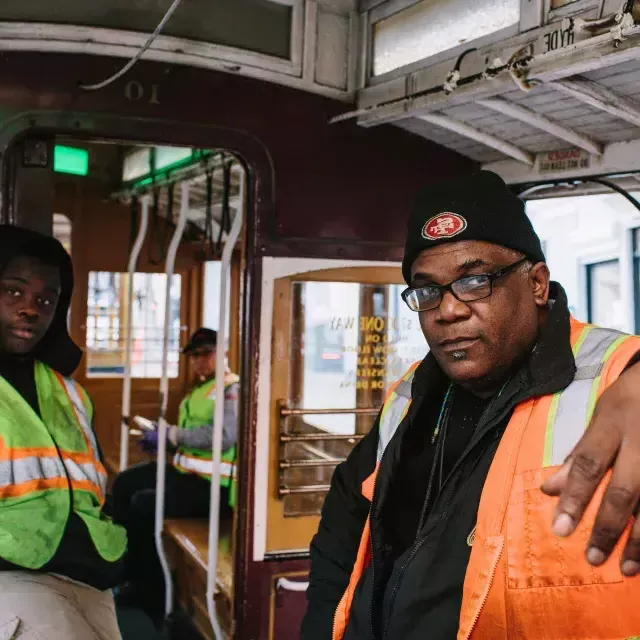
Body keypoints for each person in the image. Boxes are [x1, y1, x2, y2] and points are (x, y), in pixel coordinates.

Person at [301, 171, 640, 640]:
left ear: (538, 284)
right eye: (427, 291)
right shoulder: (410, 395)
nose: (448, 310)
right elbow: (345, 520)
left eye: (475, 281)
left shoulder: (618, 381)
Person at [0, 225, 127, 640]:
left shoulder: (69, 392)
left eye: (46, 299)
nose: (30, 309)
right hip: (16, 575)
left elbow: (92, 483)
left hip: (91, 576)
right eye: (13, 292)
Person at [112, 327, 239, 619]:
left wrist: (171, 436)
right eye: (194, 355)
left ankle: (153, 592)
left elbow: (224, 436)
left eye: (206, 353)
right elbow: (189, 442)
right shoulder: (200, 389)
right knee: (124, 483)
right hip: (185, 472)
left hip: (213, 487)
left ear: (224, 352)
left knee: (144, 504)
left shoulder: (232, 389)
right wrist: (160, 440)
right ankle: (129, 572)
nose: (199, 360)